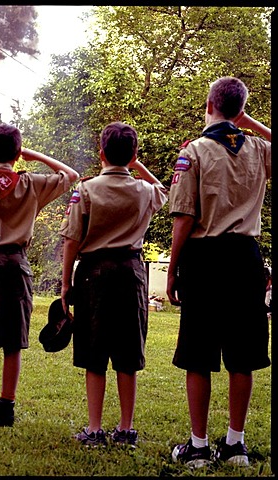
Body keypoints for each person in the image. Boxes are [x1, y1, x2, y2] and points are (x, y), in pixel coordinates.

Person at [166, 76, 271, 468]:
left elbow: (184, 219)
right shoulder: (259, 149)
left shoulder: (193, 152)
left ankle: (197, 446)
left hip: (205, 258)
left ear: (209, 102)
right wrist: (251, 123)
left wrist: (173, 269)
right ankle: (235, 445)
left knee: (199, 353)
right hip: (246, 257)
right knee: (242, 355)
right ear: (240, 110)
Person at [0, 123, 79, 427]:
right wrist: (32, 156)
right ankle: (6, 408)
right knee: (12, 341)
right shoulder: (30, 183)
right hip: (17, 266)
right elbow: (71, 176)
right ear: (18, 154)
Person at [60, 121, 168, 447]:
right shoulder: (145, 191)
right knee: (127, 351)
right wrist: (138, 165)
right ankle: (125, 429)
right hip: (132, 273)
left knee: (94, 353)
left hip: (93, 274)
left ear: (101, 152)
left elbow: (71, 239)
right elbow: (165, 190)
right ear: (133, 154)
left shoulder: (87, 189)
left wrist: (66, 284)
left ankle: (94, 430)